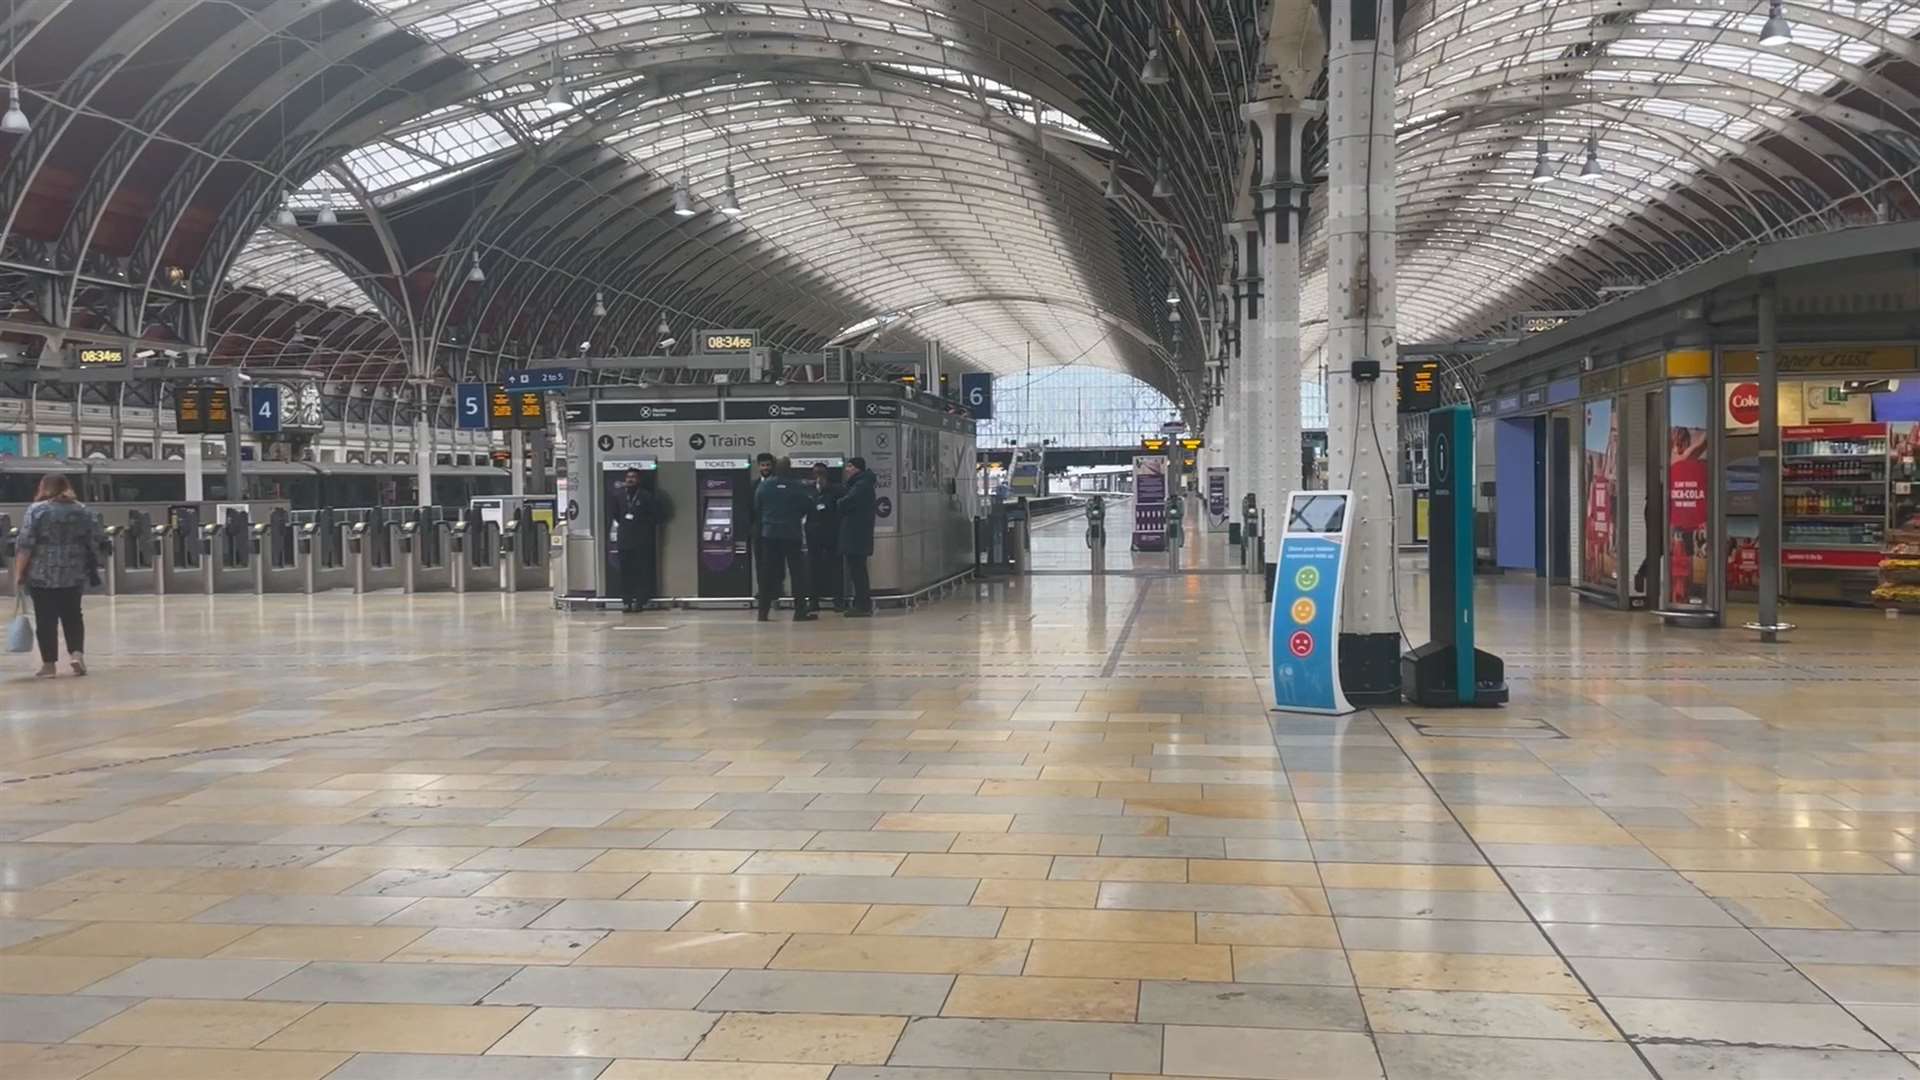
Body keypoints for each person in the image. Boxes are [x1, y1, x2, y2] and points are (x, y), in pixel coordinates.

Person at [12, 473, 106, 677]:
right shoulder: (81, 509)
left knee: (46, 619)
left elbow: (26, 543)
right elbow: (97, 536)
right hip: (74, 571)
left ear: (44, 487)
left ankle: (49, 665)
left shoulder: (37, 510)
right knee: (73, 615)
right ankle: (76, 654)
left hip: (41, 573)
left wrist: (19, 572)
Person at [753, 456, 815, 622]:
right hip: (791, 534)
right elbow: (807, 507)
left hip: (769, 534)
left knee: (767, 573)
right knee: (797, 573)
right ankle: (800, 611)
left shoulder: (764, 486)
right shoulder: (797, 487)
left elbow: (757, 507)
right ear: (790, 469)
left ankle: (763, 612)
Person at [610, 467, 660, 612]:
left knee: (641, 572)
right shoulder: (619, 496)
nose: (630, 479)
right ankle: (626, 601)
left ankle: (640, 601)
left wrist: (641, 524)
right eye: (628, 477)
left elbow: (656, 516)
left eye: (633, 477)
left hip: (642, 541)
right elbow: (616, 515)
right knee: (626, 572)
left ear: (639, 480)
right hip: (624, 541)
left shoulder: (646, 496)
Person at [838, 455, 877, 617]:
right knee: (858, 570)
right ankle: (862, 603)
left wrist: (838, 502)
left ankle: (862, 605)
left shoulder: (860, 485)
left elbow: (845, 503)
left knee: (858, 571)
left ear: (857, 468)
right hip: (859, 534)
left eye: (849, 467)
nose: (846, 470)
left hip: (856, 535)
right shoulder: (863, 484)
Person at [804, 462, 844, 614]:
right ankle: (813, 601)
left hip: (831, 531)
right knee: (813, 567)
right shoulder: (808, 489)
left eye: (822, 473)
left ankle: (838, 601)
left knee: (835, 567)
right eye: (816, 473)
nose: (819, 476)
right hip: (813, 532)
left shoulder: (835, 489)